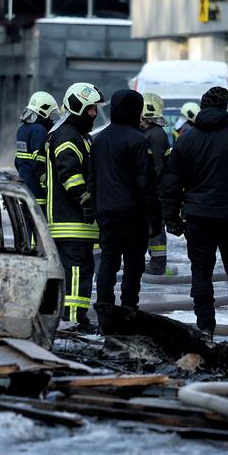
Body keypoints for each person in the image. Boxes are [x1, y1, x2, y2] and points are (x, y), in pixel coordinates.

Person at [161, 86, 228, 341]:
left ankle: (204, 328)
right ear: (225, 109)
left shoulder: (185, 141)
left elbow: (171, 183)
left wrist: (172, 218)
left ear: (202, 107)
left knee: (201, 271)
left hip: (197, 218)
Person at [90, 90, 160, 330]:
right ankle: (129, 312)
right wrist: (155, 217)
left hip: (106, 212)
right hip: (133, 213)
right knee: (133, 264)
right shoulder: (138, 140)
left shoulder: (98, 139)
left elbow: (92, 180)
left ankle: (105, 314)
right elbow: (146, 183)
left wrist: (95, 210)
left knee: (108, 262)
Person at [45, 82, 106, 332]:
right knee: (77, 272)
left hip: (74, 221)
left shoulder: (77, 135)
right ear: (78, 107)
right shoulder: (67, 137)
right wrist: (85, 198)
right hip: (70, 221)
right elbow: (69, 173)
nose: (94, 114)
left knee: (78, 270)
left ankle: (73, 316)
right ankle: (72, 320)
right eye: (91, 109)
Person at [140, 92, 171, 275]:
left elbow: (157, 168)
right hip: (151, 192)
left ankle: (158, 264)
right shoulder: (148, 133)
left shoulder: (156, 135)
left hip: (155, 193)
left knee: (155, 228)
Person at [14, 91, 58, 210]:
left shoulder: (21, 130)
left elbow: (17, 161)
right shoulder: (39, 130)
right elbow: (39, 163)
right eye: (50, 115)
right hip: (38, 194)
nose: (51, 119)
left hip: (25, 189)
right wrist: (48, 186)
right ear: (43, 111)